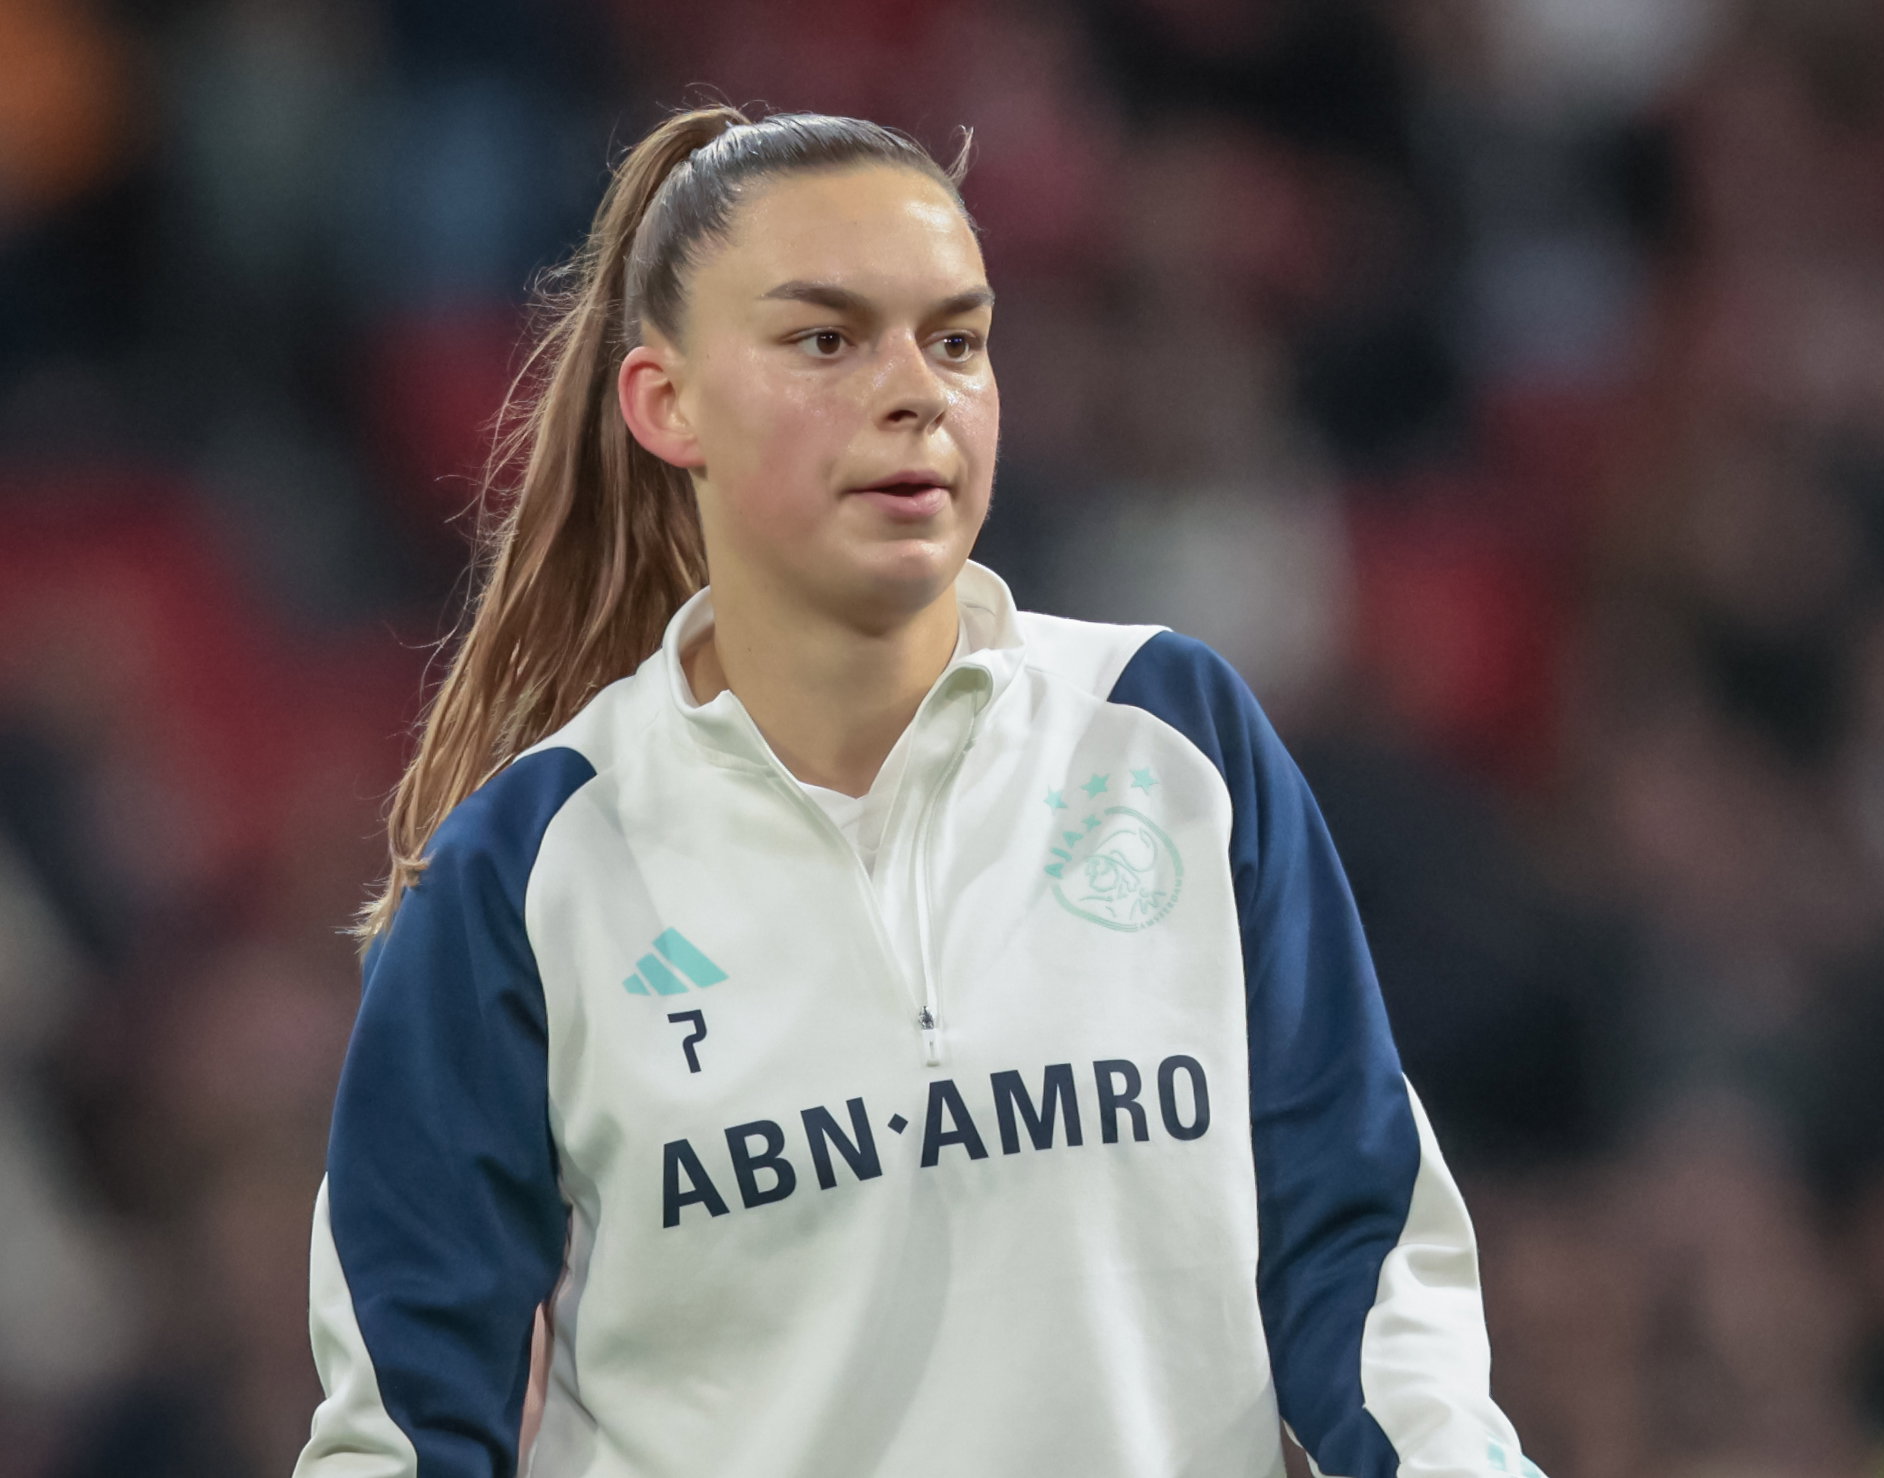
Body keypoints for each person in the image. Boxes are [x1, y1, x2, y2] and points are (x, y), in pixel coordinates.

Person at [293, 104, 1543, 1478]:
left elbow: (1367, 1279)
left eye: (954, 340)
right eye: (825, 339)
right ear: (667, 403)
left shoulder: (1169, 738)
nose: (915, 392)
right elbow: (399, 1433)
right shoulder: (526, 869)